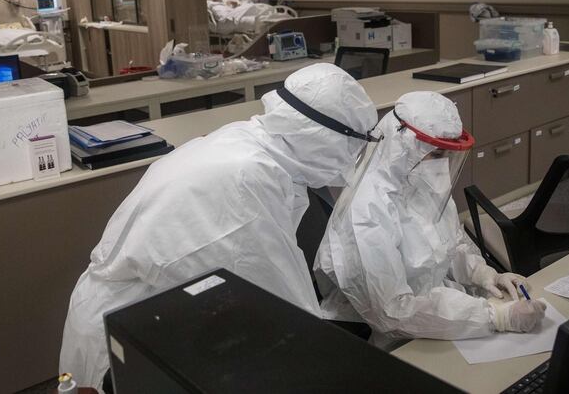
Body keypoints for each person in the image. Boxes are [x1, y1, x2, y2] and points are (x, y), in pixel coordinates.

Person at [60, 63, 378, 390]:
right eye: (353, 145)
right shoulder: (247, 177)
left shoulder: (255, 142)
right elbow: (280, 307)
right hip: (128, 334)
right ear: (320, 137)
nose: (352, 158)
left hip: (157, 312)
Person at [314, 91, 547, 342]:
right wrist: (494, 317)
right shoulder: (366, 211)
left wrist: (482, 274)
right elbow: (392, 312)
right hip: (379, 336)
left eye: (448, 154)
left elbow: (450, 246)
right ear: (404, 145)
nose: (442, 164)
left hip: (434, 315)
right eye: (437, 154)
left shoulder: (420, 178)